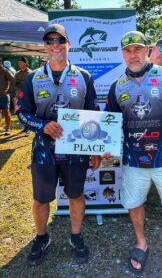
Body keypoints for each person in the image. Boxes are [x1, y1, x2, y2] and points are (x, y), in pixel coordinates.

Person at [105, 31, 162, 277]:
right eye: (128, 50)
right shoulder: (117, 87)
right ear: (122, 54)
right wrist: (102, 149)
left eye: (137, 49)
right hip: (133, 161)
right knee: (134, 204)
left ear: (147, 49)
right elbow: (110, 126)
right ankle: (141, 242)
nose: (133, 55)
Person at [15, 23, 101, 267]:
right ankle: (41, 238)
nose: (55, 46)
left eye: (59, 41)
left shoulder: (84, 77)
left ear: (68, 44)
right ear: (45, 46)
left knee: (75, 194)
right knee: (41, 199)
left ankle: (75, 236)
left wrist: (94, 149)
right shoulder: (33, 78)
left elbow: (93, 114)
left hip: (76, 150)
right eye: (50, 41)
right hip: (44, 149)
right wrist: (42, 125)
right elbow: (21, 112)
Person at [0, 58, 15, 135]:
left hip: (4, 96)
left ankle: (8, 128)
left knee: (6, 112)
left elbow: (13, 80)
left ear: (1, 62)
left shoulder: (5, 71)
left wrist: (9, 91)